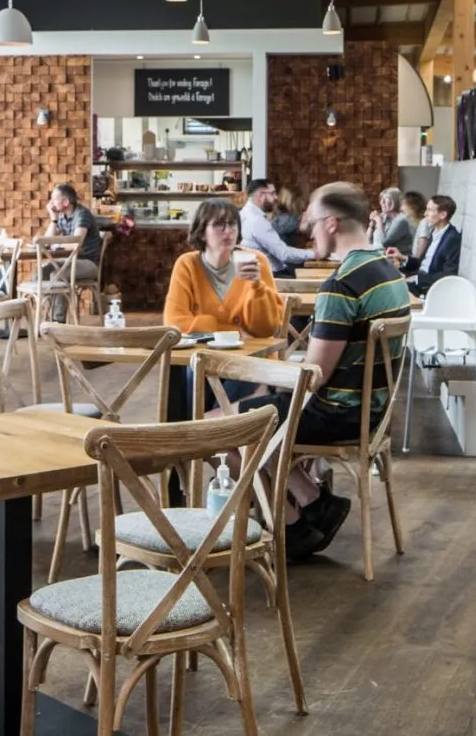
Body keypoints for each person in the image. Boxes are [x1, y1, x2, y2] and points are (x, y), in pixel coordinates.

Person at [245, 182, 410, 561]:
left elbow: (314, 375)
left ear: (331, 223)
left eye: (313, 222)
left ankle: (294, 526)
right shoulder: (388, 272)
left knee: (224, 427)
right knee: (256, 408)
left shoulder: (342, 284)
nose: (308, 231)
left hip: (337, 414)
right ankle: (314, 501)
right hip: (373, 412)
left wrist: (259, 372)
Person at [163, 198, 285, 336]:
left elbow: (267, 330)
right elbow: (174, 323)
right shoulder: (187, 265)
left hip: (252, 350)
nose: (228, 231)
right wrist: (235, 332)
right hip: (205, 350)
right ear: (202, 232)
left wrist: (257, 287)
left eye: (232, 224)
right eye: (218, 224)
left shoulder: (255, 261)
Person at [240, 179, 316, 278]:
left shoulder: (243, 214)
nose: (276, 197)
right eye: (272, 193)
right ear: (260, 196)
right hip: (272, 275)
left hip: (261, 273)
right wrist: (314, 253)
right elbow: (284, 254)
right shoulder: (256, 221)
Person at [389, 194, 461, 292]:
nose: (425, 214)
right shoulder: (434, 232)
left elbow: (449, 274)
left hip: (428, 287)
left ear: (443, 215)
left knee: (391, 289)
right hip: (418, 277)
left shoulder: (452, 238)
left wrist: (418, 279)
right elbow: (422, 263)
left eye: (429, 210)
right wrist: (402, 257)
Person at [43, 182, 102, 282]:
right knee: (42, 272)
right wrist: (54, 219)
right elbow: (46, 242)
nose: (51, 203)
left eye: (54, 199)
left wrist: (57, 245)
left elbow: (76, 244)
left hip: (88, 262)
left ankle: (59, 293)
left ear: (66, 202)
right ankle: (39, 294)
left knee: (55, 276)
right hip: (71, 260)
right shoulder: (62, 216)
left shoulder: (82, 215)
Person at [368, 188, 414, 254]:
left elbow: (384, 243)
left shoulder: (401, 220)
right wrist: (372, 224)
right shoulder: (383, 216)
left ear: (395, 201)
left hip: (397, 258)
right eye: (381, 199)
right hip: (379, 256)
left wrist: (379, 221)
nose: (382, 202)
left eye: (386, 198)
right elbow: (368, 240)